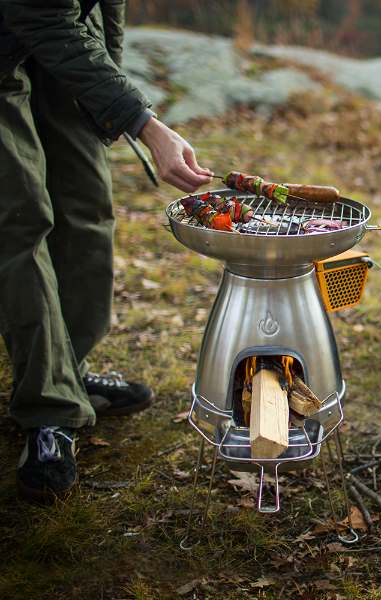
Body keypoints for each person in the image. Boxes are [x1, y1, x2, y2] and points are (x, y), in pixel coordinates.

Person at [0, 0, 213, 501]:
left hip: (65, 32)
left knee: (86, 206)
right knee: (21, 220)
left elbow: (106, 7)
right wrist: (143, 120)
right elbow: (42, 16)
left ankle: (66, 369)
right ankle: (48, 411)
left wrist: (107, 99)